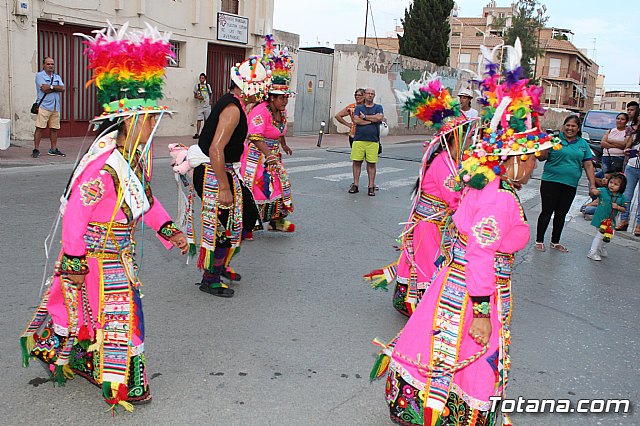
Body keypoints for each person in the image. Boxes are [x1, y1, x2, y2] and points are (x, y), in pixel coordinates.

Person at [372, 42, 563, 425]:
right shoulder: (501, 199)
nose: (531, 169)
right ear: (511, 160)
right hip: (474, 290)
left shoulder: (483, 182)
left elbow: (464, 226)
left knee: (440, 349)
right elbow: (480, 252)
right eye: (527, 160)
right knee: (463, 352)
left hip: (456, 282)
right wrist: (480, 313)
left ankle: (424, 406)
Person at [20, 22, 188, 410]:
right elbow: (76, 214)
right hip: (95, 255)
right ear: (131, 119)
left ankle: (87, 361)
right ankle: (120, 379)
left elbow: (143, 201)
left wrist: (170, 230)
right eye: (150, 119)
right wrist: (75, 261)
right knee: (113, 315)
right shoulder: (104, 163)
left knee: (99, 313)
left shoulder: (133, 159)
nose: (153, 126)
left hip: (118, 252)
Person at [191, 57, 266, 297]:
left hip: (225, 170)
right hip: (214, 171)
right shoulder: (233, 109)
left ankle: (220, 265)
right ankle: (210, 278)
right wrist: (223, 187)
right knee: (222, 225)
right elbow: (215, 149)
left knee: (247, 217)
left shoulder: (236, 104)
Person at [239, 38, 296, 232]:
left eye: (286, 98)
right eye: (282, 98)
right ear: (271, 97)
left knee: (278, 185)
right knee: (257, 187)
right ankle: (251, 221)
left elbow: (278, 130)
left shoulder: (281, 111)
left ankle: (275, 220)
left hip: (271, 155)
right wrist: (269, 155)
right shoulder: (260, 111)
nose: (285, 102)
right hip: (256, 155)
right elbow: (255, 136)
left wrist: (283, 145)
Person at [535, 115, 597, 252]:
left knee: (561, 214)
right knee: (547, 211)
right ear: (564, 126)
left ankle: (555, 241)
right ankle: (539, 240)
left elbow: (588, 164)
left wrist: (592, 185)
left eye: (573, 126)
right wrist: (544, 145)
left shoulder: (583, 144)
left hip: (570, 184)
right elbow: (541, 157)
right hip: (550, 181)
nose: (570, 128)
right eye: (567, 125)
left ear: (578, 128)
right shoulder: (554, 139)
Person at [349, 88, 384, 196]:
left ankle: (370, 186)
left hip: (373, 140)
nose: (370, 95)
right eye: (368, 93)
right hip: (359, 139)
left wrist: (364, 117)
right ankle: (355, 185)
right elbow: (356, 120)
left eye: (372, 94)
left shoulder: (378, 107)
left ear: (374, 96)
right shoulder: (359, 107)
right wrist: (371, 121)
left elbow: (379, 117)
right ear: (364, 95)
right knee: (356, 162)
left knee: (371, 164)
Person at [587, 173, 627, 260]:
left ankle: (601, 247)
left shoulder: (621, 197)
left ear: (622, 186)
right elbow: (593, 192)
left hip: (611, 220)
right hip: (601, 219)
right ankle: (592, 252)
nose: (612, 185)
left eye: (616, 184)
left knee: (610, 235)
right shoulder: (603, 191)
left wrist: (617, 207)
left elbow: (625, 209)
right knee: (600, 235)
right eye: (611, 182)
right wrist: (594, 191)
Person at [33, 57, 65, 158]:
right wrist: (56, 88)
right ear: (44, 65)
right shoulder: (39, 75)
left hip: (56, 107)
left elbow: (62, 88)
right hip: (44, 106)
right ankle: (36, 149)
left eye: (52, 64)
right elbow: (44, 89)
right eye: (48, 64)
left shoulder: (56, 77)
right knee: (40, 128)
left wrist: (50, 87)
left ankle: (53, 149)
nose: (50, 66)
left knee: (54, 129)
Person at [618, 126, 640, 235]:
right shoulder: (635, 134)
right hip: (631, 166)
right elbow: (626, 146)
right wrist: (629, 150)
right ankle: (624, 220)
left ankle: (639, 225)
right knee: (626, 194)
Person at [193, 72, 212, 139]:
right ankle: (197, 133)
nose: (201, 79)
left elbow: (210, 94)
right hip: (200, 105)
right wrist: (198, 97)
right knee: (199, 119)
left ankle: (207, 133)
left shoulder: (208, 86)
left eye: (203, 78)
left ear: (205, 79)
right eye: (200, 78)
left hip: (207, 105)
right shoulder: (197, 86)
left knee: (208, 120)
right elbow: (195, 95)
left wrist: (210, 101)